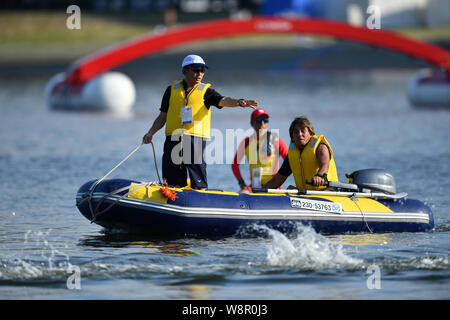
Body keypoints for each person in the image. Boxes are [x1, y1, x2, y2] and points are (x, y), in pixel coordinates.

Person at [142, 54, 258, 190]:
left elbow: (223, 100)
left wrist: (239, 102)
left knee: (198, 178)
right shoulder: (171, 90)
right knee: (173, 181)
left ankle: (200, 193)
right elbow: (163, 116)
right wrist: (151, 133)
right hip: (173, 139)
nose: (200, 73)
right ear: (185, 71)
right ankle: (173, 196)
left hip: (194, 140)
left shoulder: (206, 92)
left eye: (203, 70)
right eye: (196, 70)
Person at [263, 116, 338, 190]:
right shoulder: (292, 155)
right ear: (292, 137)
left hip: (329, 193)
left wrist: (319, 175)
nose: (299, 134)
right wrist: (258, 192)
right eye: (296, 132)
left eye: (303, 131)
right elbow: (277, 180)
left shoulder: (320, 147)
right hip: (306, 195)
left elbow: (324, 166)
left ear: (311, 133)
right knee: (290, 189)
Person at [231, 108, 288, 193]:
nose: (262, 123)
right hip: (255, 187)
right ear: (252, 123)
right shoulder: (246, 142)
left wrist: (281, 178)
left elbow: (290, 161)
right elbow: (235, 165)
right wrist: (241, 183)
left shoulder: (276, 140)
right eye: (258, 120)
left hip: (274, 188)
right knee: (242, 193)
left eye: (265, 120)